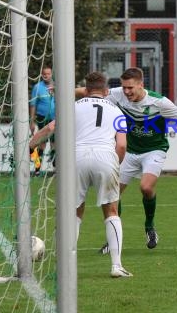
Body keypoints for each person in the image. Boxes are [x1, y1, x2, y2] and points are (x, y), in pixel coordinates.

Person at [31, 72, 132, 277]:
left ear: (85, 90)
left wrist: (30, 145)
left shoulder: (73, 107)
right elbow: (121, 144)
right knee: (111, 212)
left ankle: (63, 267)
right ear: (106, 92)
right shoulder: (118, 112)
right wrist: (116, 163)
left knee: (74, 212)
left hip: (76, 157)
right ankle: (116, 266)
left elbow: (51, 127)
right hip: (106, 156)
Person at [76, 67, 177, 253]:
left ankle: (150, 227)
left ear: (140, 85)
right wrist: (62, 90)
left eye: (130, 88)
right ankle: (112, 241)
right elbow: (87, 91)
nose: (126, 92)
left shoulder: (159, 102)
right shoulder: (118, 94)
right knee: (113, 195)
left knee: (146, 187)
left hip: (154, 150)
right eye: (124, 87)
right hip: (130, 151)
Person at [29, 66, 55, 175]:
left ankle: (55, 169)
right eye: (44, 74)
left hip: (55, 119)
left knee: (55, 143)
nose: (46, 76)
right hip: (42, 118)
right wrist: (32, 120)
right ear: (42, 75)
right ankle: (37, 169)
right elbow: (33, 104)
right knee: (41, 143)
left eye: (48, 74)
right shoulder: (37, 87)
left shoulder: (56, 86)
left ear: (51, 74)